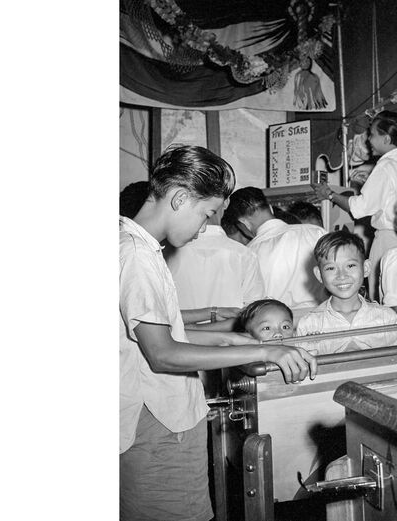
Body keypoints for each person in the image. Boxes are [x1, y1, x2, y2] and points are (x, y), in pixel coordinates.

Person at [120, 145, 317, 521]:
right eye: (207, 214)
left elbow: (172, 330)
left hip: (159, 424)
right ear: (180, 198)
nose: (202, 230)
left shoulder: (136, 246)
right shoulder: (137, 257)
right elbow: (163, 353)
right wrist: (263, 353)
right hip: (158, 428)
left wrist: (237, 339)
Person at [312, 110, 397, 301]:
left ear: (386, 139)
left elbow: (359, 208)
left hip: (388, 239)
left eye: (372, 135)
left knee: (382, 298)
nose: (368, 141)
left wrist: (330, 194)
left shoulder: (386, 165)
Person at [296, 230, 397, 354]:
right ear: (319, 275)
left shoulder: (386, 318)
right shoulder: (310, 324)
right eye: (331, 268)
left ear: (365, 268)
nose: (342, 275)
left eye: (350, 266)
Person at [228, 186, 327, 311]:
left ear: (244, 223)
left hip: (281, 325)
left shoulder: (249, 254)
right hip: (324, 319)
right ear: (270, 208)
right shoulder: (316, 232)